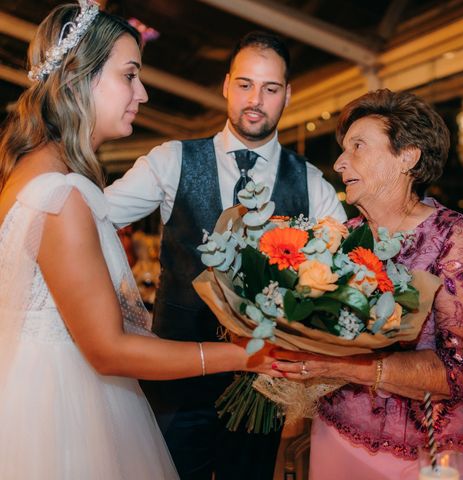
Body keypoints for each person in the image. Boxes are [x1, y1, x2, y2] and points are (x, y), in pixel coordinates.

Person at [0, 3, 279, 479]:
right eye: (129, 75)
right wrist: (245, 354)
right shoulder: (60, 195)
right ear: (76, 81)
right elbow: (108, 348)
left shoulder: (37, 175)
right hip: (66, 415)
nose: (142, 93)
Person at [104, 31, 346, 480]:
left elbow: (344, 278)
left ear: (287, 95)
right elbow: (91, 220)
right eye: (245, 84)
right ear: (226, 85)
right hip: (174, 389)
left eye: (270, 89)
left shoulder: (312, 184)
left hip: (263, 395)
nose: (256, 99)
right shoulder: (170, 160)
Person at [274, 89, 463, 480]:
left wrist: (348, 365)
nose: (340, 162)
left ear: (408, 156)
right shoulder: (341, 237)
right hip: (335, 439)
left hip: (425, 455)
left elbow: (462, 372)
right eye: (343, 150)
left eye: (358, 146)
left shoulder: (451, 238)